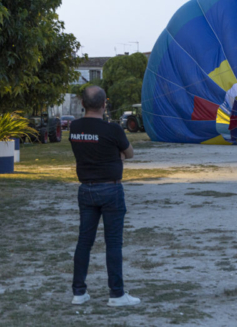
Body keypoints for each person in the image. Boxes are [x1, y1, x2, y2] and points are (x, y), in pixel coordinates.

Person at [69, 86, 139, 307]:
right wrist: (115, 154)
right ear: (104, 104)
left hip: (86, 189)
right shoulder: (113, 130)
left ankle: (79, 293)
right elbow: (130, 153)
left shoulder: (74, 127)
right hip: (111, 190)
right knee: (113, 243)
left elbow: (87, 149)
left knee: (84, 242)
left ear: (82, 104)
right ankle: (116, 294)